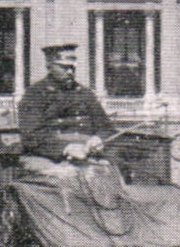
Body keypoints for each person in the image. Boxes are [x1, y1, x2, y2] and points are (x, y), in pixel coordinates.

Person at [16, 43, 113, 176]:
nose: (70, 72)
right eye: (64, 68)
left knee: (107, 174)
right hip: (46, 156)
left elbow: (106, 127)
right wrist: (66, 148)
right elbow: (31, 136)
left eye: (72, 68)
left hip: (85, 155)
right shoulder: (35, 94)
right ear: (49, 66)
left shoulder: (84, 93)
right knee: (67, 177)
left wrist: (98, 139)